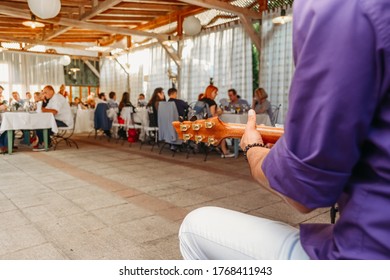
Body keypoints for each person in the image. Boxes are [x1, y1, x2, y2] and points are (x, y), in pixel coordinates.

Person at [179, 0, 390, 260]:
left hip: (370, 253)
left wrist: (254, 150)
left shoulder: (341, 7)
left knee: (193, 227)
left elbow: (302, 191)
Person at [34, 85, 73, 151]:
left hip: (64, 121)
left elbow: (54, 111)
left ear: (51, 91)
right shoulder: (52, 99)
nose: (44, 94)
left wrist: (42, 109)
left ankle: (45, 143)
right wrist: (41, 104)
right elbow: (46, 109)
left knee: (41, 124)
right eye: (43, 93)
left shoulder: (58, 98)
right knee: (39, 122)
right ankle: (45, 142)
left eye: (45, 92)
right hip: (57, 119)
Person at [200, 85, 234, 158]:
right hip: (208, 126)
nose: (216, 94)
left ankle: (216, 145)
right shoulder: (211, 102)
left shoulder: (201, 100)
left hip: (199, 125)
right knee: (223, 130)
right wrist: (220, 112)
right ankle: (225, 152)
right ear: (211, 92)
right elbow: (213, 116)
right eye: (215, 92)